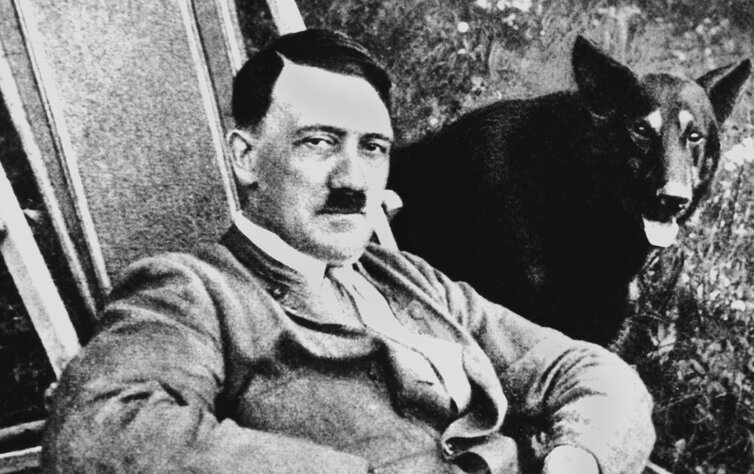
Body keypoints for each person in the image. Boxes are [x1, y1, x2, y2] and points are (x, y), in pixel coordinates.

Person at [42, 29, 655, 473]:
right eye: (318, 142)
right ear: (246, 158)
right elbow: (101, 432)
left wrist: (576, 461)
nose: (353, 180)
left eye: (373, 148)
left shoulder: (409, 280)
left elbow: (589, 372)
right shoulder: (193, 290)